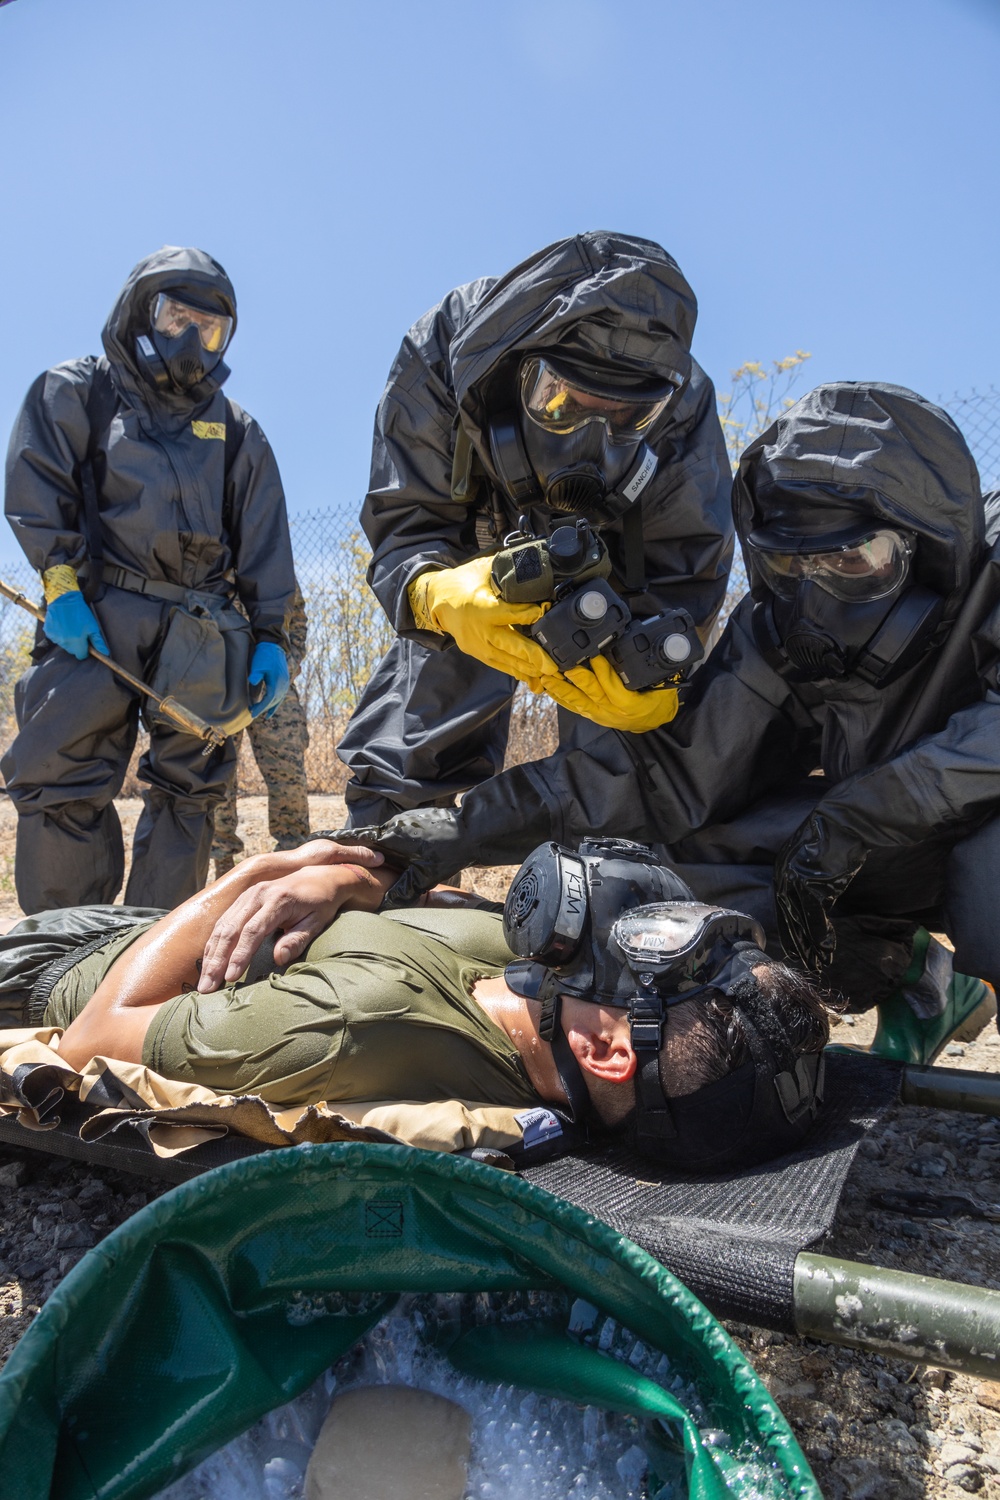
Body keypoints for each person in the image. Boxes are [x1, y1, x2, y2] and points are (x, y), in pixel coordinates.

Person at [307, 383, 1000, 1066]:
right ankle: (917, 980)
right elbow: (665, 779)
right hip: (890, 843)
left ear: (930, 546)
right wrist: (449, 835)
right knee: (689, 866)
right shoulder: (778, 632)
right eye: (791, 562)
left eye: (853, 560)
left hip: (966, 832)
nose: (817, 593)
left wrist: (852, 821)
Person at [2, 840, 828, 1173]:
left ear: (607, 1053)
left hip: (57, 966)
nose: (642, 936)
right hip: (152, 928)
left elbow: (89, 1038)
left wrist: (254, 875)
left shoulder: (358, 1024)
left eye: (660, 966)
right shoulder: (547, 988)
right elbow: (409, 889)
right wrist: (347, 880)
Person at [337, 231, 734, 828]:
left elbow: (686, 565)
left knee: (629, 747)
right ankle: (383, 856)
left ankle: (608, 879)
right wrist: (429, 592)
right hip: (474, 545)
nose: (590, 438)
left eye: (627, 417)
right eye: (562, 402)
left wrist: (658, 681)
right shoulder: (444, 347)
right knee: (427, 698)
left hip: (615, 563)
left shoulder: (684, 405)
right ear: (518, 371)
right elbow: (408, 513)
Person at [2, 247, 296, 913]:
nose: (191, 338)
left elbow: (265, 541)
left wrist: (273, 636)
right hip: (98, 614)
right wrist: (60, 587)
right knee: (60, 774)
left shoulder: (237, 429)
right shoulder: (76, 390)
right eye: (175, 317)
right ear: (140, 310)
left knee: (191, 792)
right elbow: (37, 486)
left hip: (203, 631)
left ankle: (147, 962)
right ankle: (62, 956)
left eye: (209, 327)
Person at [212, 586, 311, 875]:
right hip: (220, 682)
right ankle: (223, 865)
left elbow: (298, 617)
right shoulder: (214, 549)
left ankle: (292, 860)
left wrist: (288, 666)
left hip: (276, 683)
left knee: (288, 773)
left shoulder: (273, 558)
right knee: (218, 775)